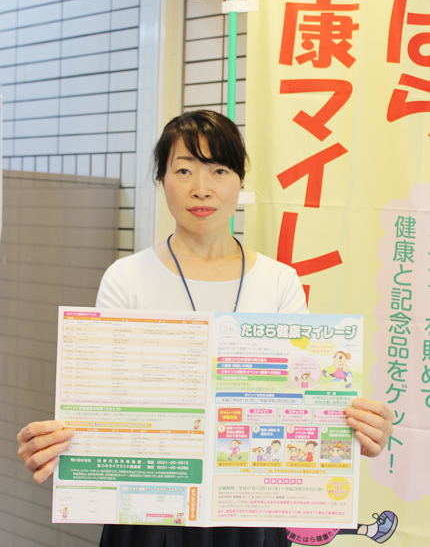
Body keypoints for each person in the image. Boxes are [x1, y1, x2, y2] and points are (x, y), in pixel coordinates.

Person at [17, 110, 395, 547]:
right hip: (147, 511)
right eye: (184, 170)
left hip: (250, 514)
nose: (202, 187)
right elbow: (103, 404)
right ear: (161, 179)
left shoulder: (279, 281)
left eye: (219, 170)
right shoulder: (127, 278)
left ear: (239, 181)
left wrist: (354, 430)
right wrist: (59, 442)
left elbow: (303, 398)